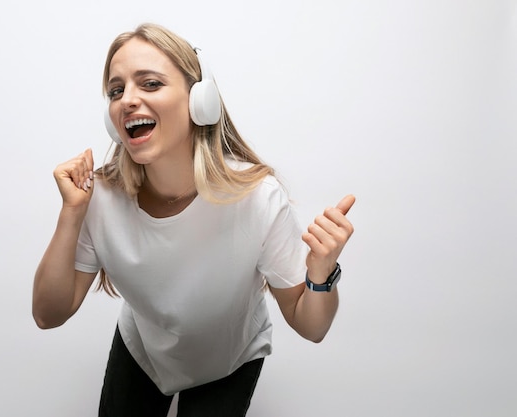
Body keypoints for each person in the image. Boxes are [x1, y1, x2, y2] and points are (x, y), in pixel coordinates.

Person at [32, 22, 355, 417]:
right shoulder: (98, 198)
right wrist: (71, 213)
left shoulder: (257, 199)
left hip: (230, 361)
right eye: (117, 91)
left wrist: (320, 275)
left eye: (149, 84)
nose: (127, 100)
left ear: (200, 101)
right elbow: (48, 314)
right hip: (144, 353)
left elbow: (312, 327)